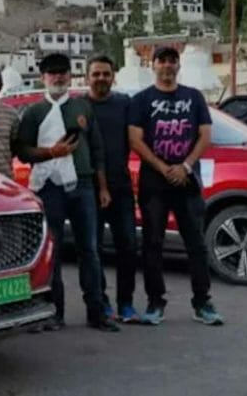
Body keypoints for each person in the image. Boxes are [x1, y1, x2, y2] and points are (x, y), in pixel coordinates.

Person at [15, 54, 119, 332]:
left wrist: (103, 187)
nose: (58, 77)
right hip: (49, 187)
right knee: (54, 251)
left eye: (62, 73)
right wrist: (50, 152)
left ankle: (96, 312)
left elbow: (97, 149)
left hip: (83, 185)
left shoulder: (82, 107)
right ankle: (54, 312)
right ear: (43, 78)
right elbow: (22, 151)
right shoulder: (34, 112)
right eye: (52, 73)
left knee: (90, 250)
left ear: (70, 77)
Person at [128, 46, 223, 326]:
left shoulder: (193, 98)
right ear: (152, 65)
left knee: (195, 243)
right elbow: (135, 139)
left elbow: (205, 135)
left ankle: (202, 302)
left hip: (187, 179)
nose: (167, 66)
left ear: (178, 66)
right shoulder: (141, 100)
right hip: (154, 182)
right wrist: (163, 167)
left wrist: (185, 166)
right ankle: (155, 303)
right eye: (162, 61)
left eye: (172, 61)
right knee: (152, 244)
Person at [85, 55, 140, 324]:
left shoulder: (124, 104)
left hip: (121, 187)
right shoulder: (79, 106)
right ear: (87, 78)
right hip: (88, 191)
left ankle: (126, 303)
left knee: (128, 246)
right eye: (96, 74)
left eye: (106, 74)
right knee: (93, 250)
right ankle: (101, 302)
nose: (101, 79)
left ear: (113, 76)